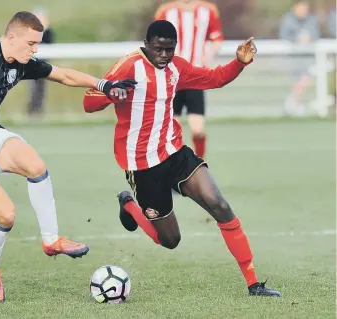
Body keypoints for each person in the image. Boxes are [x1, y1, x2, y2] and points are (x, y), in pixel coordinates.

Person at [0, 11, 136, 302]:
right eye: (31, 43)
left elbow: (63, 75)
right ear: (11, 37)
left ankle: (51, 240)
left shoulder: (21, 63)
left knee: (36, 165)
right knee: (6, 215)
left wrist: (105, 85)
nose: (35, 49)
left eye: (37, 44)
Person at [83, 20, 282, 297]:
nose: (164, 55)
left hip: (175, 153)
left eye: (169, 49)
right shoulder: (129, 66)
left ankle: (253, 283)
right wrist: (109, 93)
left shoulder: (177, 66)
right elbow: (88, 102)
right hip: (142, 165)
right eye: (158, 49)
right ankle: (128, 204)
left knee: (220, 205)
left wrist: (239, 63)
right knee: (170, 240)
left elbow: (214, 79)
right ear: (146, 44)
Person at [154, 0, 224, 159]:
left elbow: (217, 38)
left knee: (198, 130)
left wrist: (210, 55)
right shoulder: (165, 11)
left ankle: (199, 163)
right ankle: (172, 167)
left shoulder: (208, 10)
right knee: (171, 130)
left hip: (195, 77)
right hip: (170, 78)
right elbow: (154, 41)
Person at [279, 0, 321, 116]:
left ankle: (293, 102)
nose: (303, 10)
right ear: (295, 7)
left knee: (305, 80)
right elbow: (284, 36)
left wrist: (309, 38)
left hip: (308, 58)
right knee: (297, 81)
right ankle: (294, 103)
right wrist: (297, 39)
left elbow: (316, 35)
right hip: (294, 59)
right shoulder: (288, 20)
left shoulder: (311, 20)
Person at [27, 8, 54, 117]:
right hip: (31, 64)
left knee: (42, 89)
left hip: (44, 65)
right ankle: (31, 111)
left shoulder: (48, 32)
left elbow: (49, 44)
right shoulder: (31, 32)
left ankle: (39, 110)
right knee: (32, 89)